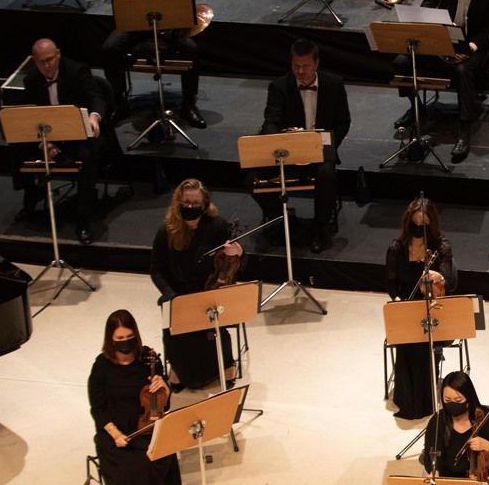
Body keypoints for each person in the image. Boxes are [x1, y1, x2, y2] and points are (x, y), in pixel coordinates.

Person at [87, 310, 187, 485]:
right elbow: (98, 408)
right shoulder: (101, 367)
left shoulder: (148, 358)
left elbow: (164, 402)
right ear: (110, 339)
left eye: (129, 337)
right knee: (137, 466)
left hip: (147, 424)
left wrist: (165, 387)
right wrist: (115, 433)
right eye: (119, 339)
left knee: (160, 456)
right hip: (116, 433)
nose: (125, 343)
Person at [8, 38, 117, 246]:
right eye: (42, 62)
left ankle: (83, 219)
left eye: (50, 60)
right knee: (16, 145)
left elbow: (96, 97)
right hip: (49, 135)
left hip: (80, 134)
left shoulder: (77, 71)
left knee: (88, 155)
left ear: (58, 54)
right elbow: (29, 116)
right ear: (35, 61)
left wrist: (94, 117)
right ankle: (31, 197)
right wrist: (44, 144)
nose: (47, 65)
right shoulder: (31, 79)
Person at [399, 0, 489, 163]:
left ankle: (464, 131)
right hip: (443, 40)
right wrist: (439, 41)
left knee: (463, 71)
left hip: (473, 45)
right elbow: (427, 7)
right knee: (401, 62)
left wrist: (470, 48)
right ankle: (416, 107)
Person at [102, 0, 202, 128]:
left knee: (192, 50)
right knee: (109, 48)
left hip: (168, 21)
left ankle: (189, 104)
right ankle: (120, 103)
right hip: (138, 23)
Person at [259, 38, 351, 253]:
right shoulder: (279, 87)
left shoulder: (334, 84)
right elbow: (271, 119)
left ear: (316, 64)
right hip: (287, 152)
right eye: (296, 66)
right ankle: (280, 219)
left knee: (327, 175)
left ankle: (321, 226)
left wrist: (329, 145)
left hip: (319, 151)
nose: (300, 71)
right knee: (251, 179)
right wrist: (275, 142)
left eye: (305, 66)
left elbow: (343, 122)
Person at [148, 179, 241, 390]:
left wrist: (238, 252)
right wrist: (169, 293)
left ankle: (226, 365)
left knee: (215, 323)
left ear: (205, 203)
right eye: (186, 201)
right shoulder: (167, 230)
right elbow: (156, 269)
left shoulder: (218, 226)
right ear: (178, 202)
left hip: (209, 290)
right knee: (173, 326)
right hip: (177, 293)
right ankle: (179, 371)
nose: (190, 206)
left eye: (195, 202)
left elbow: (236, 263)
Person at [384, 197, 458, 419]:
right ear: (408, 224)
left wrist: (438, 277)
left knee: (420, 336)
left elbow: (449, 281)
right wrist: (397, 300)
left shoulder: (441, 247)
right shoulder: (396, 248)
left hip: (434, 310)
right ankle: (410, 399)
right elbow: (390, 283)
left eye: (424, 225)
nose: (419, 230)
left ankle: (422, 400)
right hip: (406, 308)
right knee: (410, 335)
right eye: (415, 224)